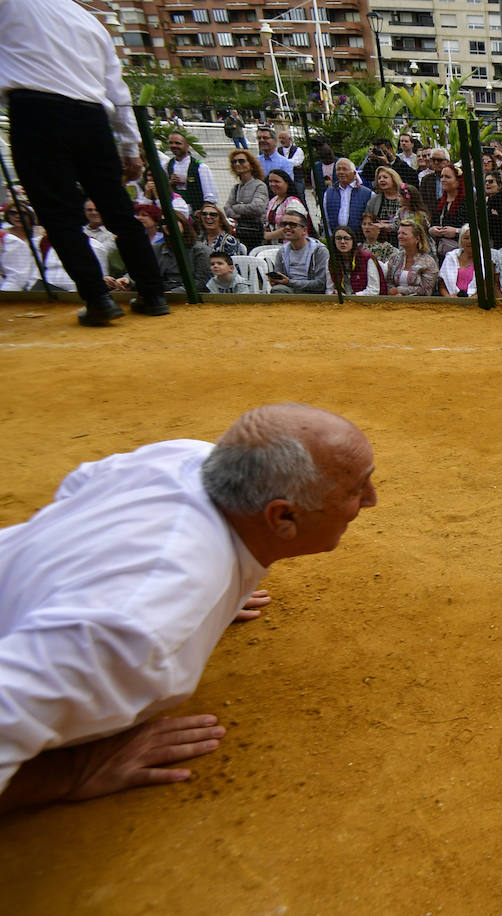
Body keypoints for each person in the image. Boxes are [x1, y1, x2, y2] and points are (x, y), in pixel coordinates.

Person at [0, 404, 376, 813]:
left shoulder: (187, 455)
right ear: (283, 516)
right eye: (356, 490)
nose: (371, 501)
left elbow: (78, 490)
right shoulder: (139, 625)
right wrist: (74, 771)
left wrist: (216, 577)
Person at [0, 0, 165, 326]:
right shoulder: (90, 21)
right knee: (119, 211)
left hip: (36, 112)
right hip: (92, 119)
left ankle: (98, 299)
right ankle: (153, 294)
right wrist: (130, 148)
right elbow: (118, 92)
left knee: (59, 215)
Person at [266, 212, 327, 294]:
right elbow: (280, 278)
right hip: (290, 290)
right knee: (277, 289)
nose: (287, 227)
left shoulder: (319, 251)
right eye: (284, 224)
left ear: (304, 230)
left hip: (313, 293)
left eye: (293, 225)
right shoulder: (282, 251)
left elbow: (321, 284)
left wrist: (289, 282)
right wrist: (276, 281)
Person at [224, 150, 269, 252]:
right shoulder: (236, 188)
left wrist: (236, 207)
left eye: (241, 161)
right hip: (240, 233)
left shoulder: (260, 185)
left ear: (251, 165)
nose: (237, 164)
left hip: (255, 235)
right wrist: (244, 210)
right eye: (234, 161)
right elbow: (227, 209)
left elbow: (257, 208)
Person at [165, 132, 217, 213]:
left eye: (178, 143)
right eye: (171, 143)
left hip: (196, 211)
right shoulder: (168, 165)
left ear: (187, 147)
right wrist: (170, 183)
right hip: (176, 211)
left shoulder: (200, 167)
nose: (174, 145)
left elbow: (210, 196)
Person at [385, 218, 438, 296]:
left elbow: (426, 290)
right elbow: (388, 283)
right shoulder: (394, 258)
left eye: (404, 234)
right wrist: (395, 294)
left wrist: (399, 290)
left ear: (417, 238)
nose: (400, 236)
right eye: (399, 233)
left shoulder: (429, 262)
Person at [325, 227, 382, 296]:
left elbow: (374, 290)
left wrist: (354, 296)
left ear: (353, 241)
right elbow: (329, 289)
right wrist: (333, 293)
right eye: (338, 238)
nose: (342, 242)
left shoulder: (367, 259)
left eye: (346, 238)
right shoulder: (331, 262)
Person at [323, 159, 372, 239]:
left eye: (344, 169)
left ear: (354, 173)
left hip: (359, 240)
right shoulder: (328, 193)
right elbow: (326, 219)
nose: (341, 172)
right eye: (338, 169)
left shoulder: (367, 193)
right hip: (336, 241)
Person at [427, 164, 466, 260]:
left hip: (461, 253)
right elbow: (432, 224)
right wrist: (432, 230)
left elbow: (475, 230)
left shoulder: (468, 203)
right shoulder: (439, 202)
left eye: (447, 177)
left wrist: (456, 232)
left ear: (458, 181)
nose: (443, 180)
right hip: (440, 254)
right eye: (442, 176)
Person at [262, 169, 307, 244]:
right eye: (270, 181)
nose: (273, 184)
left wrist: (267, 235)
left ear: (287, 183)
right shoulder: (273, 200)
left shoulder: (293, 203)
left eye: (277, 181)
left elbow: (294, 227)